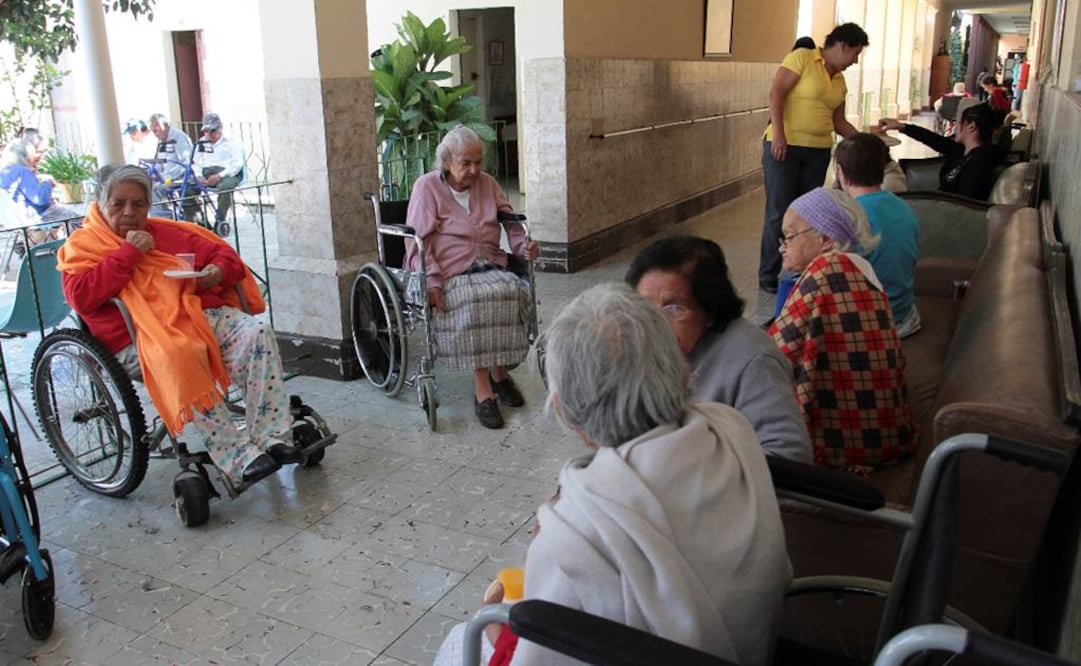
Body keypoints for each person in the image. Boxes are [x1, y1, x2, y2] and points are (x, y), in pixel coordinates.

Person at [433, 283, 791, 666]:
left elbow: (540, 655)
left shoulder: (575, 534)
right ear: (681, 369)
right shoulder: (732, 428)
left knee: (464, 637)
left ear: (565, 412)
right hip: (756, 643)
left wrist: (497, 624)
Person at [58, 165, 304, 486]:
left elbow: (224, 255)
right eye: (118, 204)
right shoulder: (83, 246)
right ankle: (234, 455)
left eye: (139, 204)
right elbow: (82, 297)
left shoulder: (165, 233)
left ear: (148, 206)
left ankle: (271, 436)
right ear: (101, 204)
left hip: (195, 318)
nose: (129, 212)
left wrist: (216, 272)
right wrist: (129, 252)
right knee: (182, 353)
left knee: (256, 333)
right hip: (137, 340)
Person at [626, 235, 812, 462]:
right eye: (644, 306)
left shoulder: (753, 361)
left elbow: (790, 455)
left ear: (710, 309)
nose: (655, 322)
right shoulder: (647, 347)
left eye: (675, 308)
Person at [769, 188, 915, 471]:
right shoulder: (861, 270)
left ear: (824, 239)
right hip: (887, 434)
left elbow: (775, 356)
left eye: (789, 236)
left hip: (842, 446)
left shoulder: (825, 271)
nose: (781, 247)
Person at [404, 126, 539, 429]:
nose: (474, 169)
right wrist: (433, 280)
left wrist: (522, 246)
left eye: (478, 162)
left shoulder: (487, 184)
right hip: (450, 270)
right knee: (473, 301)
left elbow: (511, 220)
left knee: (512, 291)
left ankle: (500, 372)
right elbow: (417, 240)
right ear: (447, 161)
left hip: (489, 262)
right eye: (466, 163)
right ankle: (483, 390)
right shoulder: (427, 187)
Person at [758, 22, 868, 293]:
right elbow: (777, 93)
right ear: (841, 46)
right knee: (779, 211)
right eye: (854, 54)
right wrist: (779, 135)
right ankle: (768, 274)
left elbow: (838, 120)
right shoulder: (802, 58)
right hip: (785, 147)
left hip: (818, 151)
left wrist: (864, 141)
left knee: (809, 216)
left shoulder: (839, 80)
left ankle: (804, 270)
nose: (855, 61)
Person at [834, 133, 921, 337]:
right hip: (906, 316)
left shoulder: (849, 218)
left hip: (871, 325)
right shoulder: (904, 207)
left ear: (840, 172)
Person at [878, 103, 1001, 201]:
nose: (954, 128)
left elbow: (965, 202)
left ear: (971, 126)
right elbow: (934, 140)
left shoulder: (981, 161)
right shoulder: (963, 151)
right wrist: (902, 127)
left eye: (958, 123)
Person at [0, 138, 77, 240]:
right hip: (38, 220)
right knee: (80, 220)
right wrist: (48, 182)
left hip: (19, 226)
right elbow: (40, 199)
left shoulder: (4, 174)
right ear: (25, 157)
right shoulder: (22, 172)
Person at [188, 112, 244, 223]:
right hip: (206, 172)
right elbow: (195, 163)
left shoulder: (231, 141)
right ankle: (200, 220)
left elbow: (237, 163)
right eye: (206, 131)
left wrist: (220, 175)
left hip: (226, 172)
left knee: (226, 187)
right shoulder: (201, 142)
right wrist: (198, 175)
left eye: (213, 131)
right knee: (186, 189)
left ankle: (220, 219)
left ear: (220, 128)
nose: (209, 134)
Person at [148, 113, 194, 184]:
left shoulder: (179, 137)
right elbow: (159, 163)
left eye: (156, 130)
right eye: (153, 131)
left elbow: (187, 163)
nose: (155, 134)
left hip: (183, 180)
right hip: (167, 179)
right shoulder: (161, 140)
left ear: (166, 126)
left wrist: (164, 176)